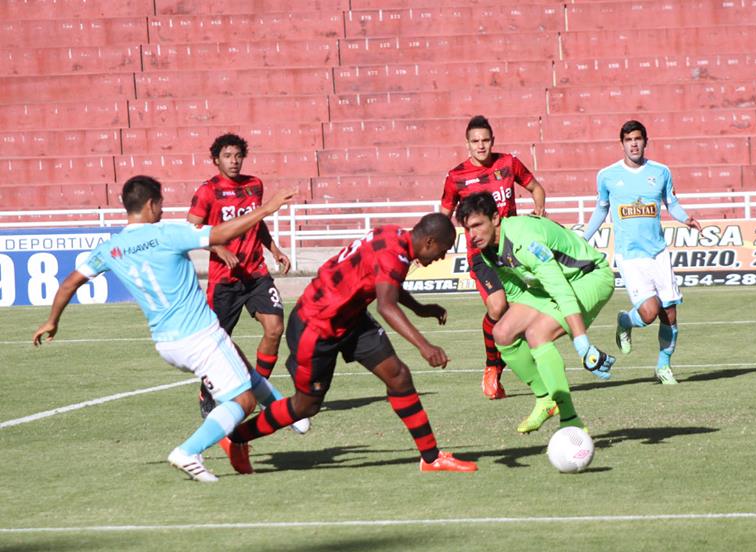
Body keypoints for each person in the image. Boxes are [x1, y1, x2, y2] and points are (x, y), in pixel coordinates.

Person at [32, 175, 296, 482]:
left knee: (237, 359)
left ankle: (286, 411)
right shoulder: (168, 233)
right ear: (150, 204)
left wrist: (53, 321)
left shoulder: (111, 248)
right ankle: (190, 450)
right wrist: (266, 209)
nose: (163, 208)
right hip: (199, 335)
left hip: (167, 345)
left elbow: (70, 282)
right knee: (243, 401)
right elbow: (222, 232)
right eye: (160, 203)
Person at [224, 213, 477, 473]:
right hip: (317, 324)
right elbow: (387, 306)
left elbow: (387, 281)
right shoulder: (395, 255)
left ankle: (431, 457)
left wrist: (419, 308)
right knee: (306, 406)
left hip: (351, 318)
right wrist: (425, 346)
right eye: (442, 250)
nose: (441, 257)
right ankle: (236, 438)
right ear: (429, 241)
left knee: (398, 376)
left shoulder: (394, 235)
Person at [455, 192, 616, 434]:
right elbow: (516, 294)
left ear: (496, 218)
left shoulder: (524, 239)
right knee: (502, 333)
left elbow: (560, 288)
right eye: (468, 229)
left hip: (590, 277)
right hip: (550, 286)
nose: (472, 235)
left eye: (477, 225)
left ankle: (571, 419)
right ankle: (546, 399)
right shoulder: (488, 251)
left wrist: (581, 341)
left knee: (537, 334)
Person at [187, 133, 308, 434]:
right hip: (225, 280)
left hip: (255, 274)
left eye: (238, 155)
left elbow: (257, 221)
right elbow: (192, 230)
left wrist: (275, 249)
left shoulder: (254, 185)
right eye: (227, 156)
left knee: (275, 327)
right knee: (216, 342)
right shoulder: (208, 191)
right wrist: (219, 248)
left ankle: (260, 388)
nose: (234, 161)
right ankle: (207, 391)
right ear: (216, 160)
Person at [581, 120, 702, 385]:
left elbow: (671, 202)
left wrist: (685, 219)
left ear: (646, 141)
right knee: (649, 312)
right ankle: (625, 321)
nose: (634, 144)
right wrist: (583, 238)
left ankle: (663, 366)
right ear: (622, 143)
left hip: (658, 253)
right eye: (628, 140)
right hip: (630, 256)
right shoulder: (607, 176)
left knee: (669, 313)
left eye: (638, 139)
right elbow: (601, 209)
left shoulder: (660, 172)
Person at [439, 115, 547, 400]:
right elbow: (444, 214)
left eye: (485, 140)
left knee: (527, 311)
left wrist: (538, 208)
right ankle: (492, 368)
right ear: (468, 144)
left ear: (492, 141)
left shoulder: (508, 164)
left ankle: (529, 365)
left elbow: (537, 188)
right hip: (480, 255)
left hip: (512, 250)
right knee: (498, 307)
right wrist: (438, 241)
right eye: (475, 141)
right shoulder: (456, 177)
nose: (481, 146)